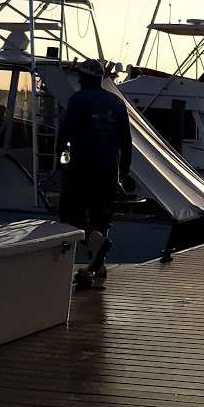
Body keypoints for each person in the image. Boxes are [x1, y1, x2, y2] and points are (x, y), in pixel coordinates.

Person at [59, 59, 132, 284]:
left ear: (84, 78)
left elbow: (65, 132)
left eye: (80, 76)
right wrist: (123, 171)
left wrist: (57, 156)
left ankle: (97, 244)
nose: (78, 79)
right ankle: (99, 267)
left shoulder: (79, 99)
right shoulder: (117, 103)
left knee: (72, 215)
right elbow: (126, 142)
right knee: (103, 216)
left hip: (83, 166)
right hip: (110, 169)